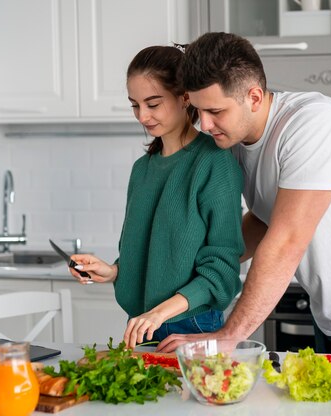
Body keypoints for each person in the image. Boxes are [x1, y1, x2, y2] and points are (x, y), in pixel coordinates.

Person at [157, 33, 331, 355]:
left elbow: (287, 240)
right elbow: (263, 219)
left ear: (254, 97)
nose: (205, 124)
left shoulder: (312, 123)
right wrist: (193, 269)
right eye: (199, 111)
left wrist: (229, 334)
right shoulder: (235, 139)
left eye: (216, 111)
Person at [68, 45, 245, 348]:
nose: (142, 116)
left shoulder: (215, 162)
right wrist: (111, 271)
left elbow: (222, 269)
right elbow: (152, 255)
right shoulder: (142, 169)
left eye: (153, 103)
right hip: (142, 325)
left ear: (184, 97)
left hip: (192, 324)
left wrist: (159, 314)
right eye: (135, 105)